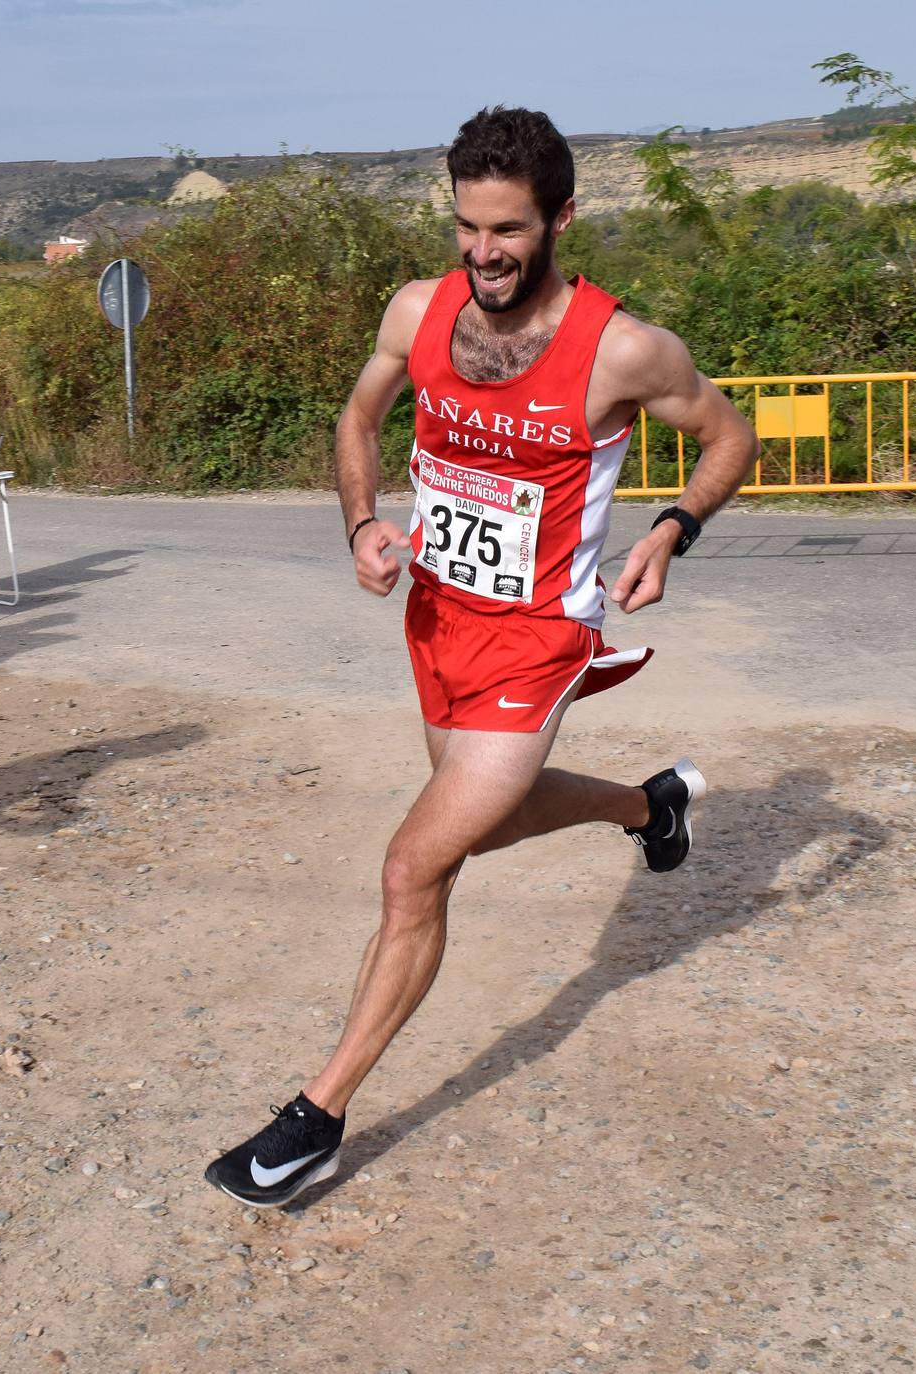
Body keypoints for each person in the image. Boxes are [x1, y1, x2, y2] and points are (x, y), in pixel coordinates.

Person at [204, 107, 759, 1207]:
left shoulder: (620, 348)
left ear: (558, 217)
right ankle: (646, 810)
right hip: (436, 625)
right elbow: (360, 416)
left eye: (505, 231)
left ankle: (314, 1117)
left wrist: (667, 530)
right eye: (465, 227)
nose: (482, 253)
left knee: (415, 866)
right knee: (483, 820)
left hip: (538, 641)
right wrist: (361, 524)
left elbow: (726, 433)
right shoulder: (417, 310)